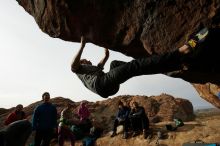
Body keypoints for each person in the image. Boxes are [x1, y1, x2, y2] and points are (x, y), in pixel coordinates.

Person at [71, 28, 209, 98]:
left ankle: (176, 65)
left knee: (116, 64)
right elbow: (73, 65)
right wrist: (82, 45)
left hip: (110, 87)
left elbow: (106, 56)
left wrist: (104, 46)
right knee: (135, 67)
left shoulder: (94, 69)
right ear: (82, 62)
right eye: (85, 60)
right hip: (103, 84)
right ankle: (182, 51)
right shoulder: (79, 69)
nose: (88, 60)